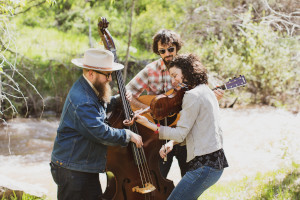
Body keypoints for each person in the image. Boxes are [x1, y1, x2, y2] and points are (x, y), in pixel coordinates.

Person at [126, 29, 224, 178]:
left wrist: (213, 98)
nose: (167, 54)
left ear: (177, 48)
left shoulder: (190, 68)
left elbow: (202, 96)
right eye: (162, 51)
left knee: (190, 178)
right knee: (158, 178)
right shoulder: (150, 70)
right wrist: (151, 110)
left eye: (170, 49)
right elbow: (127, 92)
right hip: (159, 135)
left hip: (185, 136)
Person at [50, 48, 143, 200]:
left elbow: (100, 106)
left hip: (81, 165)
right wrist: (127, 134)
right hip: (72, 168)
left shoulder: (89, 87)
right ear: (91, 74)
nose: (110, 79)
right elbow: (100, 132)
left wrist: (117, 100)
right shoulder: (83, 100)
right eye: (107, 75)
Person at [135, 54, 228, 200]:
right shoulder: (205, 90)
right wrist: (172, 143)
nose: (173, 81)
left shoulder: (192, 95)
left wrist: (148, 124)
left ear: (187, 71)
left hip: (204, 166)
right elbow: (196, 129)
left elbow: (179, 133)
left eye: (175, 75)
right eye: (171, 77)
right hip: (215, 163)